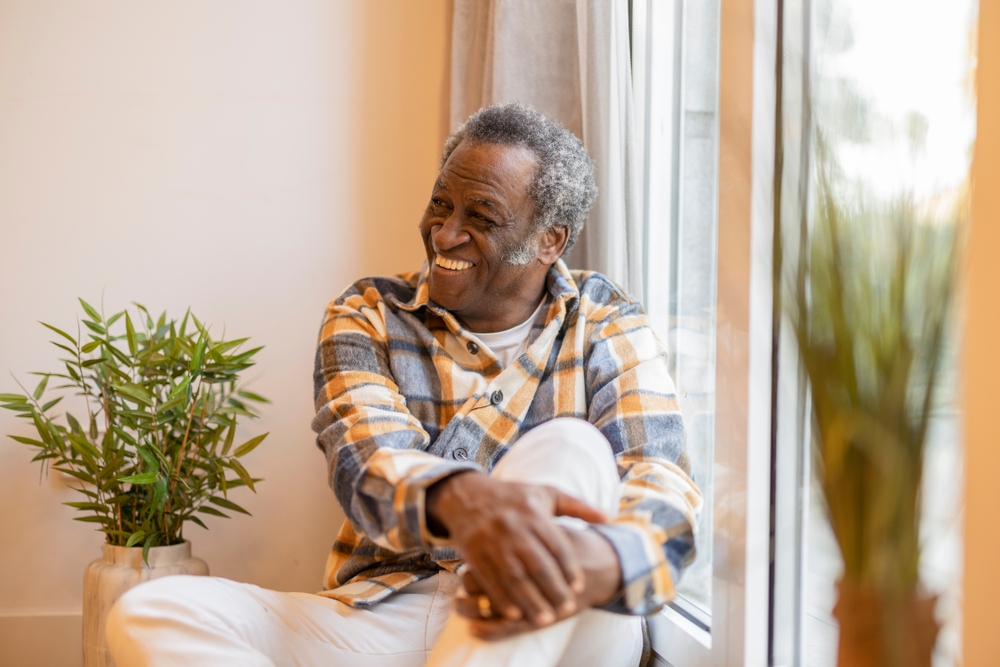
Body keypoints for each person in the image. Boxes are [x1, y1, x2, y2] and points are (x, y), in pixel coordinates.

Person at [106, 102, 702, 667]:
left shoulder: (605, 319)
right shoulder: (367, 313)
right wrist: (465, 503)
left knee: (570, 447)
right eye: (440, 204)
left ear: (551, 240)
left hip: (562, 617)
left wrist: (598, 558)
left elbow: (661, 480)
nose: (443, 235)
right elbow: (365, 463)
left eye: (481, 218)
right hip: (391, 609)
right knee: (149, 612)